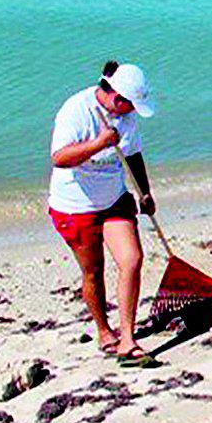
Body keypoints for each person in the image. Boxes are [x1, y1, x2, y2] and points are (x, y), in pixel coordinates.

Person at [49, 61, 160, 367]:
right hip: (75, 206)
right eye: (131, 106)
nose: (134, 112)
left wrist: (144, 191)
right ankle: (104, 331)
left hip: (114, 198)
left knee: (132, 259)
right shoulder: (75, 110)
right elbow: (59, 158)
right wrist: (98, 143)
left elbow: (133, 153)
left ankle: (128, 339)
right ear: (117, 98)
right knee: (93, 272)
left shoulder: (126, 117)